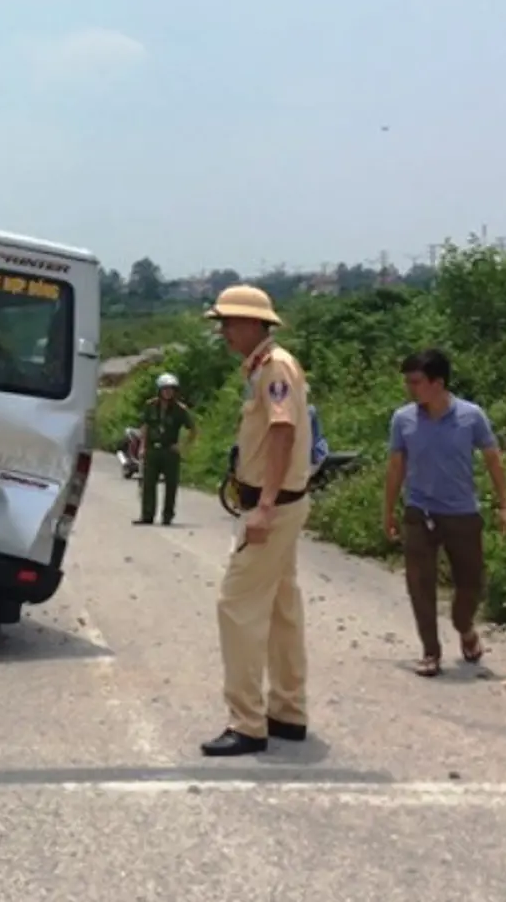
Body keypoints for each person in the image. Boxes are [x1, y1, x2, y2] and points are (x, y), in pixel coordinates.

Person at [199, 285, 313, 756]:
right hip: (282, 502)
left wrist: (263, 506)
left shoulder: (274, 368)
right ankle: (287, 711)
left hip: (275, 506)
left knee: (237, 605)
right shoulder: (266, 367)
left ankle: (247, 722)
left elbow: (282, 431)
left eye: (228, 322)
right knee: (282, 607)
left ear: (252, 324)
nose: (223, 331)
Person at [383, 348, 506, 677]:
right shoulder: (403, 419)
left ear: (437, 382)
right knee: (419, 584)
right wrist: (388, 511)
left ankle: (464, 627)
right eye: (408, 382)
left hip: (461, 513)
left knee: (470, 583)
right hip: (419, 511)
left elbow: (493, 460)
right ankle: (430, 651)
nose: (410, 389)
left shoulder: (472, 416)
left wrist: (505, 505)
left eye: (416, 382)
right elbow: (396, 467)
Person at [134, 371, 197, 526]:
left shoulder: (180, 409)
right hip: (152, 449)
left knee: (171, 485)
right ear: (159, 390)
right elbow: (145, 427)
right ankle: (147, 515)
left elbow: (192, 429)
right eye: (165, 389)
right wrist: (142, 447)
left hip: (170, 451)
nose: (168, 392)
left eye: (171, 389)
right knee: (148, 484)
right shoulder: (150, 406)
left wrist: (182, 446)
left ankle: (167, 516)